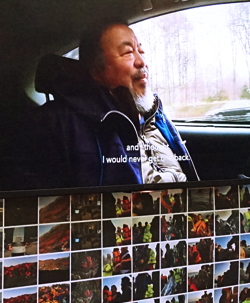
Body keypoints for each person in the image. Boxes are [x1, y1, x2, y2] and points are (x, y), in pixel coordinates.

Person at [26, 20, 198, 189]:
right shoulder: (57, 124)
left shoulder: (154, 113)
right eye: (128, 52)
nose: (141, 61)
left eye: (141, 51)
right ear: (97, 71)